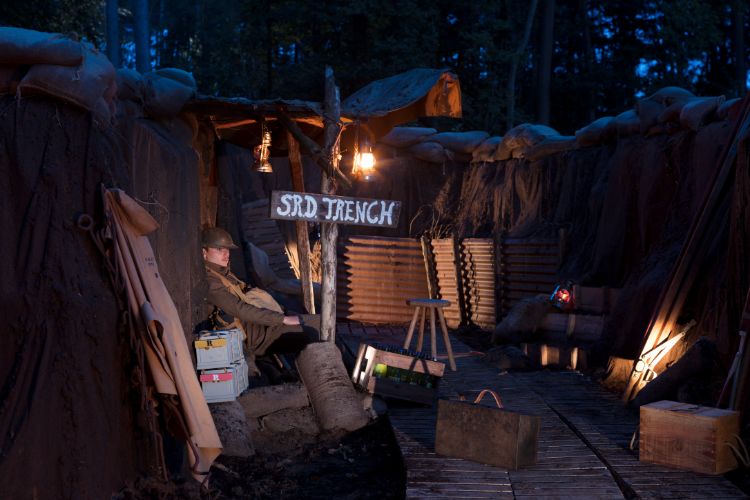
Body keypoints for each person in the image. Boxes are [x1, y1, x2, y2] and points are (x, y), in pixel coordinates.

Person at [201, 227, 320, 375]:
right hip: (257, 338)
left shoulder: (224, 273)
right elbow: (240, 309)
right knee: (316, 330)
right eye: (219, 249)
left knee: (320, 322)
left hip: (263, 326)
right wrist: (283, 319)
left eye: (227, 249)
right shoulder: (211, 282)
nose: (226, 254)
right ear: (204, 253)